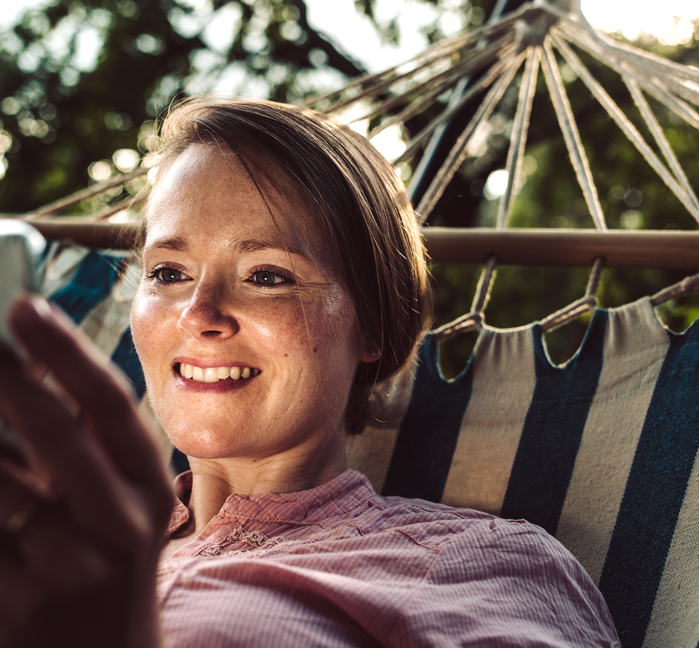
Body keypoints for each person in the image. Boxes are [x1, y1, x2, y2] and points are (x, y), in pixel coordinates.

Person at [0, 98, 621, 647]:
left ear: (372, 325)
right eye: (168, 273)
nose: (199, 315)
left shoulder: (471, 565)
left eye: (268, 276)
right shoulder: (47, 534)